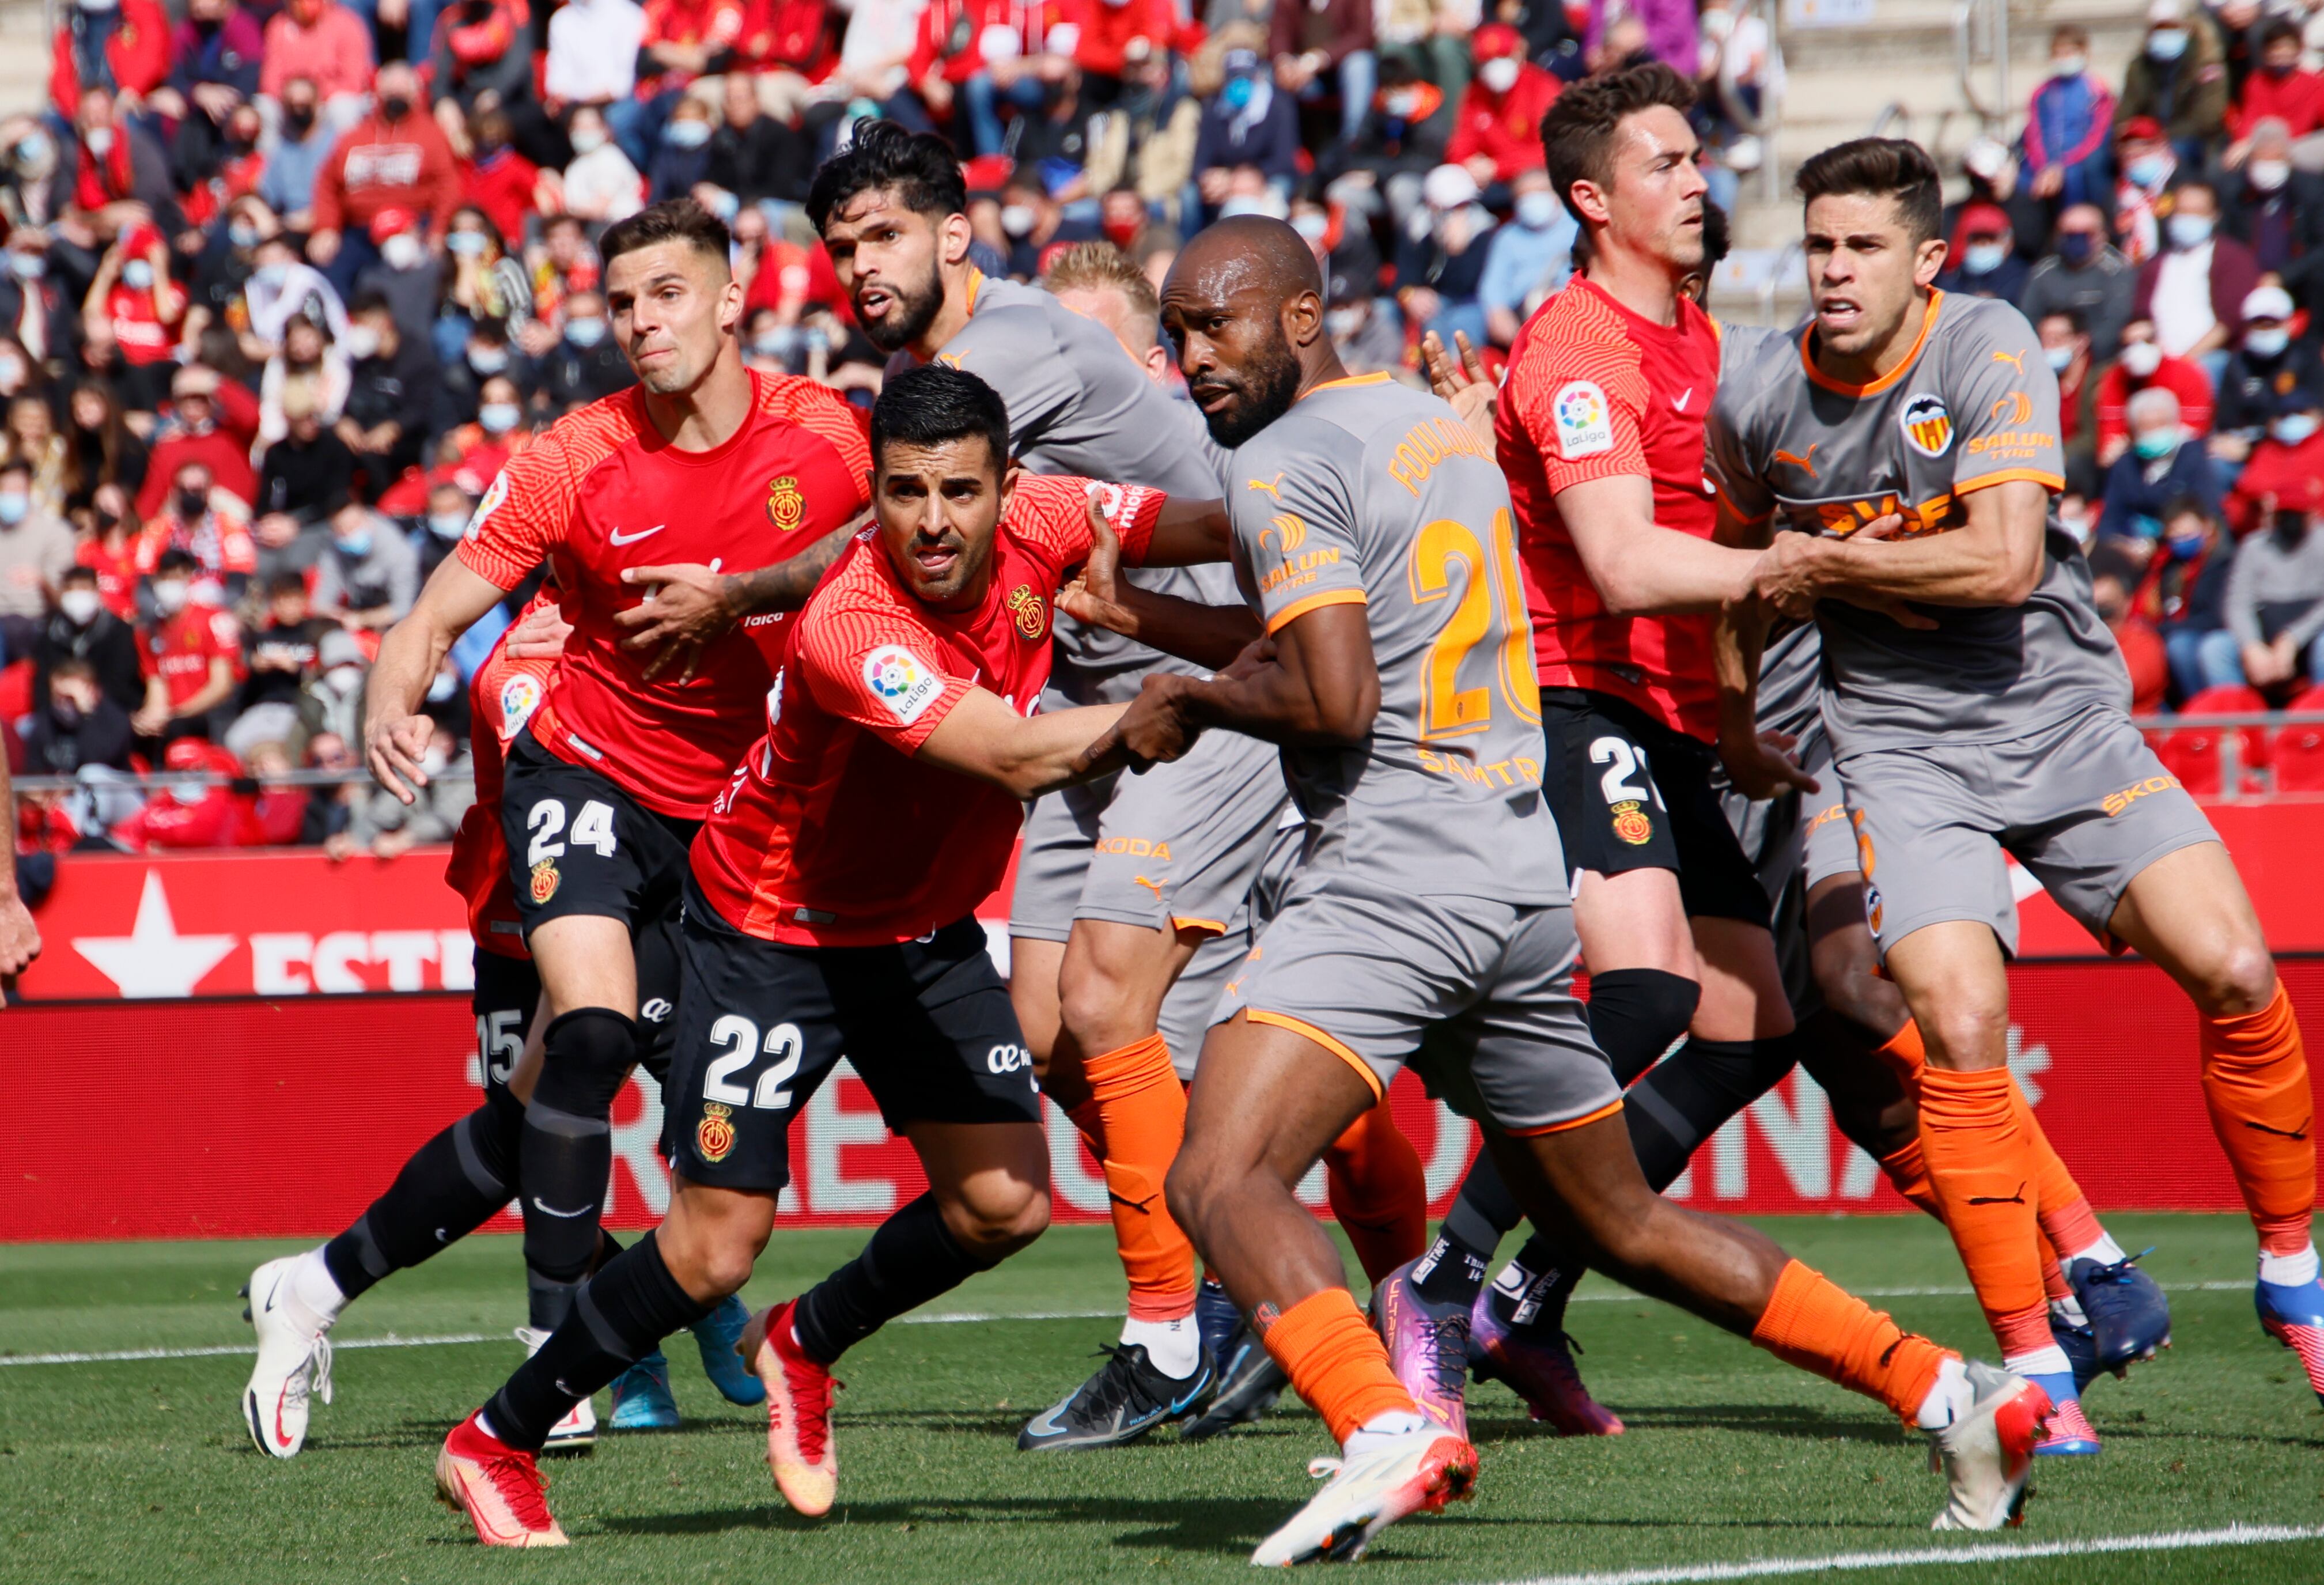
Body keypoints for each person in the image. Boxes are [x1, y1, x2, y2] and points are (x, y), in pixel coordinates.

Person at [1084, 214, 2035, 1563]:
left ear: (1299, 318)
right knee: (1618, 1218)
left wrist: (1180, 701)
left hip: (1393, 869)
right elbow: (1334, 629)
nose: (1191, 360)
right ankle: (1953, 1396)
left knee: (1218, 1175)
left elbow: (1330, 692)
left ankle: (1382, 1428)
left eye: (1213, 325)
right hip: (1519, 870)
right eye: (1174, 332)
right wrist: (1152, 618)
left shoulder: (1280, 460)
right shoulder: (1428, 429)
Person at [430, 364, 1222, 1545]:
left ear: (1008, 486)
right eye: (904, 492)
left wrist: (1328, 481)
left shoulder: (1052, 518)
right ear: (877, 496)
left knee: (1006, 1204)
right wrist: (1151, 710)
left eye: (960, 490)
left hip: (918, 931)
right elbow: (1007, 752)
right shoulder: (852, 624)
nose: (934, 520)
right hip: (769, 931)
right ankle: (496, 1437)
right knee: (711, 1246)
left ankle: (806, 1339)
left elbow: (1207, 520)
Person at [1710, 134, 2324, 1433]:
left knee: (2233, 968)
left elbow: (1997, 564)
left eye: (1864, 246)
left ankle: (2291, 1271)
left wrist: (1826, 568)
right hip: (1898, 749)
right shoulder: (1757, 394)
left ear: (1926, 260)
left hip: (2056, 719)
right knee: (1956, 1021)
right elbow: (1739, 571)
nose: (1833, 269)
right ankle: (2035, 1361)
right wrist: (1734, 718)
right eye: (1819, 243)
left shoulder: (1986, 345)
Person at [812, 123, 1316, 1448]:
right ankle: (1249, 1278)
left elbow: (862, 519)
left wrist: (727, 586)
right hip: (1086, 700)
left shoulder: (1003, 351)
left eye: (882, 236)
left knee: (1106, 1002)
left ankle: (1179, 1330)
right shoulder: (946, 376)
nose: (858, 266)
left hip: (1199, 695)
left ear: (955, 236)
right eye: (840, 245)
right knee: (1047, 1030)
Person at [362, 198, 874, 1437]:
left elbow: (882, 539)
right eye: (623, 301)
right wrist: (393, 688)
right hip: (585, 770)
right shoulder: (571, 455)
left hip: (734, 820)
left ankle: (661, 1302)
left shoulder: (823, 434)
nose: (643, 322)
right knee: (586, 1035)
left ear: (731, 296)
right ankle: (557, 1350)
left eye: (668, 293)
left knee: (711, 1137)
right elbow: (432, 612)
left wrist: (745, 594)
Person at [1384, 64, 1810, 1439]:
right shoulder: (1580, 348)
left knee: (1752, 1026)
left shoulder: (1703, 342)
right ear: (1591, 198)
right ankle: (1444, 1281)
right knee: (1641, 993)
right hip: (1573, 697)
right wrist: (1807, 566)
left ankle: (1530, 1300)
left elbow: (1717, 564)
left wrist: (1737, 730)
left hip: (1673, 719)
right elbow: (1626, 566)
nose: (1699, 182)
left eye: (1700, 158)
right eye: (1667, 163)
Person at [240, 609, 769, 1458]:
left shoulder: (689, 603)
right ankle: (626, 1334)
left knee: (637, 1115)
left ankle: (657, 1304)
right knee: (535, 1140)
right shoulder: (529, 662)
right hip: (523, 916)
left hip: (660, 899)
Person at [2133, 182, 2258, 368]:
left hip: (2212, 357)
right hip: (2160, 358)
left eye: (2198, 212)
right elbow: (2142, 316)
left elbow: (2229, 324)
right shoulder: (2157, 264)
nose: (2189, 218)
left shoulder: (2233, 258)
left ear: (2214, 216)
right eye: (2182, 211)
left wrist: (2183, 364)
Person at [135, 548, 241, 747]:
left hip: (211, 717)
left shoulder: (214, 619)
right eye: (164, 578)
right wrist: (147, 719)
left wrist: (177, 715)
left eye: (176, 577)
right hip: (171, 722)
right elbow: (157, 687)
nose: (169, 584)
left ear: (189, 578)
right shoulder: (149, 631)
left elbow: (221, 685)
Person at [2210, 285, 2324, 464]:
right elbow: (2228, 421)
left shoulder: (2306, 358)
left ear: (2288, 324)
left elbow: (2316, 411)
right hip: (2250, 452)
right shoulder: (2239, 365)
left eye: (2272, 325)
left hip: (2300, 450)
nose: (2266, 332)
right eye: (2259, 326)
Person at [2141, 497, 2242, 699]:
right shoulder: (2171, 566)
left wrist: (2164, 630)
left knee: (2185, 647)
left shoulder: (2226, 562)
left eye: (2187, 535)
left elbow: (2218, 617)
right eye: (2175, 537)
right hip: (2180, 632)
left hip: (2216, 633)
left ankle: (2205, 710)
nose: (2181, 542)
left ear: (2207, 526)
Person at [2099, 385, 2221, 543]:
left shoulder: (2195, 456)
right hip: (2133, 547)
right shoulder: (2126, 464)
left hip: (2180, 543)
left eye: (2159, 425)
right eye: (2146, 428)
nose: (2153, 433)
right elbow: (2111, 518)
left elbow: (2207, 508)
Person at [1445, 24, 1558, 190]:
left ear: (1518, 54)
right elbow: (1460, 146)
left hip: (1532, 177)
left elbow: (1551, 151)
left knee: (1532, 189)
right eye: (1487, 61)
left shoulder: (1542, 87)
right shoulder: (1475, 94)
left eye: (1503, 57)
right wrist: (1470, 166)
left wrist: (1498, 167)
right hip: (1487, 181)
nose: (1495, 65)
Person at [2228, 500, 2324, 693]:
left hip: (2311, 636)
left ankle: (2317, 715)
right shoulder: (2255, 545)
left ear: (2311, 514)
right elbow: (2238, 604)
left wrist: (2292, 638)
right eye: (2284, 514)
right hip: (2263, 637)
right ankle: (2237, 716)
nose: (2290, 521)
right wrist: (2251, 646)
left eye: (2295, 514)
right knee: (2216, 649)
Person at [1479, 167, 1576, 348]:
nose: (1532, 200)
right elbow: (1493, 284)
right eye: (1524, 195)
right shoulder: (1507, 236)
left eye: (1539, 192)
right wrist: (1496, 311)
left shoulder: (1576, 227)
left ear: (1555, 195)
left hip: (1567, 307)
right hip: (1520, 316)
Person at [2025, 25, 2114, 210]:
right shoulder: (2043, 92)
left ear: (2084, 53)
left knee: (2076, 176)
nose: (2064, 58)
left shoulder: (2097, 90)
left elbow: (2098, 135)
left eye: (2069, 52)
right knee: (2023, 181)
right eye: (2059, 53)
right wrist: (2045, 166)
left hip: (2079, 159)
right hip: (2049, 161)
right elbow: (2034, 132)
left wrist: (2064, 164)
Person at [35, 562, 143, 712]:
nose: (78, 596)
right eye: (71, 590)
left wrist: (88, 702)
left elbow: (121, 684)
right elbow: (42, 686)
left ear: (97, 593)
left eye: (84, 589)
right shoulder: (51, 634)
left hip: (109, 713)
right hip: (60, 713)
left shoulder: (119, 632)